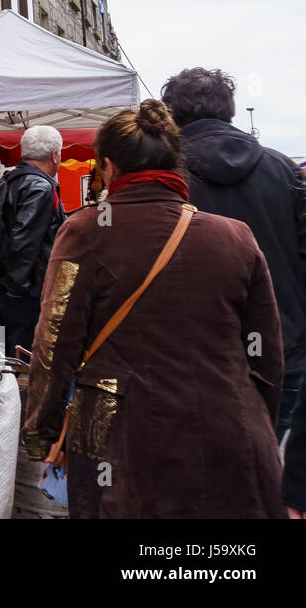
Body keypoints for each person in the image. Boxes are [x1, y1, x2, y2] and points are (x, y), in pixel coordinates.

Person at [23, 101, 285, 518]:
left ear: (107, 166)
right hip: (232, 438)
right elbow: (268, 359)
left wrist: (41, 433)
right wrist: (255, 424)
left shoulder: (86, 230)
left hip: (122, 446)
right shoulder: (236, 236)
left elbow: (54, 347)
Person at [162, 67, 306, 439]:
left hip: (188, 354)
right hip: (280, 347)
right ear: (229, 111)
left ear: (172, 115)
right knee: (270, 471)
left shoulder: (162, 177)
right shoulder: (282, 170)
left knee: (201, 476)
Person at [0, 126, 66, 355]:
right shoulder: (40, 187)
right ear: (54, 155)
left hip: (3, 285)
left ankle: (7, 391)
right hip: (26, 291)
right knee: (23, 358)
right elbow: (25, 241)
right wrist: (17, 288)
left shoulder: (8, 181)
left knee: (10, 355)